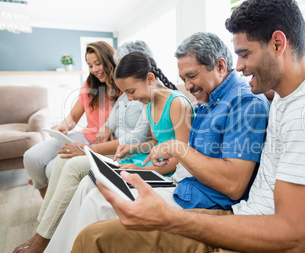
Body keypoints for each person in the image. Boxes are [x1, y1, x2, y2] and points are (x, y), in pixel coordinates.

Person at [72, 0, 305, 253]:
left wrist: (171, 218)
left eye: (244, 54)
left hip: (266, 236)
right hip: (246, 218)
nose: (238, 66)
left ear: (278, 44)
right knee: (95, 236)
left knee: (97, 237)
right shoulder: (284, 99)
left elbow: (291, 236)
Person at [46, 32, 269, 252]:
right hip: (183, 184)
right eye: (183, 79)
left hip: (198, 197)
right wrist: (162, 155)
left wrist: (175, 151)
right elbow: (188, 153)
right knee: (94, 187)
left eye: (192, 76)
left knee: (99, 202)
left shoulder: (243, 102)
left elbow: (233, 186)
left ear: (220, 67)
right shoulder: (209, 99)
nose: (188, 86)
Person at [11, 41, 155, 253]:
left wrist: (88, 149)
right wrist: (105, 127)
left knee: (69, 166)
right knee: (59, 161)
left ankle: (43, 239)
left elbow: (138, 140)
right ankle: (43, 229)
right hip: (113, 150)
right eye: (90, 65)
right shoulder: (126, 94)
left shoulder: (146, 97)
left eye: (99, 63)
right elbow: (111, 123)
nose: (128, 94)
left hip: (122, 156)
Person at [23, 41, 120, 198]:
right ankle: (44, 190)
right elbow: (74, 116)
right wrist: (64, 127)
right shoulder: (90, 84)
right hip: (86, 135)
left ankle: (51, 203)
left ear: (109, 60)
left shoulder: (124, 85)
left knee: (51, 168)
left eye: (98, 63)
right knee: (31, 157)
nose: (94, 69)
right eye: (90, 65)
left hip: (104, 143)